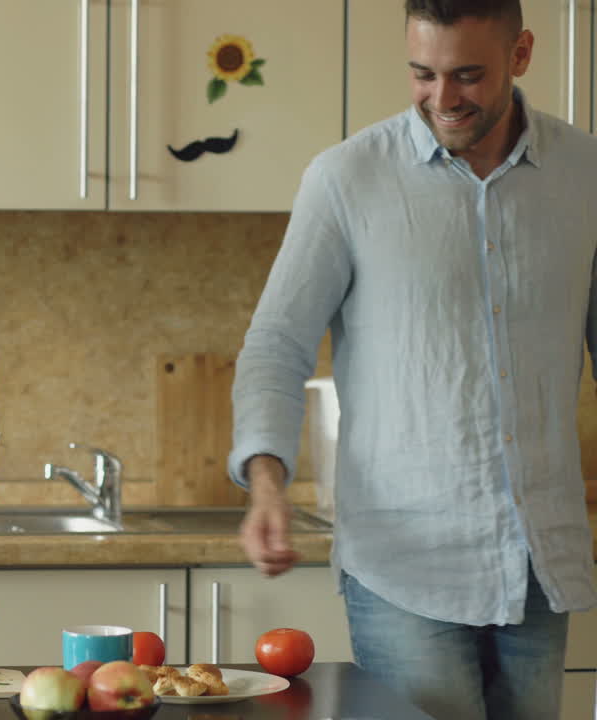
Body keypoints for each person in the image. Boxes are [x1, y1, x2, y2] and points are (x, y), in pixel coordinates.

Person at [228, 1, 597, 719]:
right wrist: (267, 484)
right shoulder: (346, 179)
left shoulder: (585, 174)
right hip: (404, 566)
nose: (443, 99)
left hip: (539, 563)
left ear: (520, 54)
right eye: (422, 74)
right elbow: (276, 342)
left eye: (468, 76)